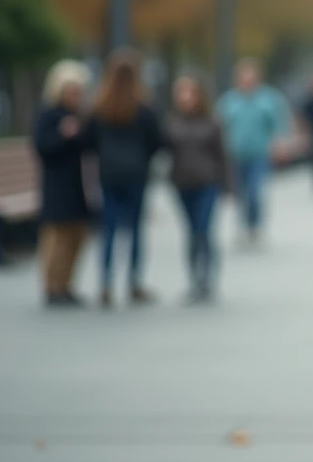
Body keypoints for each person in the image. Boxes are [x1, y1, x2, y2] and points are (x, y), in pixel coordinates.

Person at [87, 50, 163, 308]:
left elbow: (88, 141)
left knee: (108, 229)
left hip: (109, 173)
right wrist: (141, 158)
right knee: (135, 230)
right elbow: (156, 141)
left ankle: (106, 282)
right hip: (136, 173)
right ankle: (134, 281)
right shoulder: (144, 107)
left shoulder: (100, 106)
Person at [33, 59, 94, 308]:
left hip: (77, 183)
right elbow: (43, 147)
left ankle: (67, 284)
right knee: (56, 235)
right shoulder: (49, 115)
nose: (76, 96)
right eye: (72, 91)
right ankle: (52, 286)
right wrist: (63, 135)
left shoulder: (77, 116)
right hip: (56, 183)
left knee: (77, 233)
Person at [165, 76, 228, 303]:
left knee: (203, 230)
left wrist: (228, 185)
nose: (185, 98)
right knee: (191, 232)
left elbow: (222, 155)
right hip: (182, 183)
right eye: (181, 93)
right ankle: (193, 279)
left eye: (189, 93)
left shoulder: (211, 122)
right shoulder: (172, 123)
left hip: (207, 182)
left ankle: (206, 278)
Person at [216, 59, 289, 244]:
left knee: (254, 191)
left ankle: (254, 225)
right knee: (239, 193)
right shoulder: (229, 101)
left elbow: (278, 124)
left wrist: (279, 144)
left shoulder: (268, 99)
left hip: (259, 154)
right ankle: (241, 224)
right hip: (235, 154)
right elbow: (219, 126)